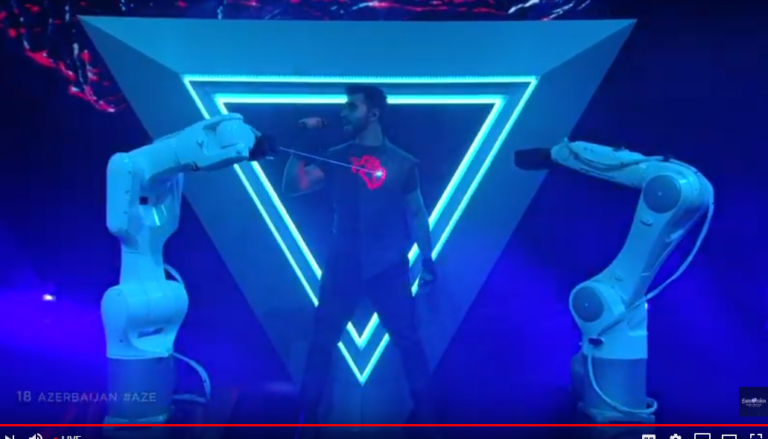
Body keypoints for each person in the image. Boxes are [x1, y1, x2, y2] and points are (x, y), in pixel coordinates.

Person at [283, 85, 438, 434]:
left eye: (351, 106)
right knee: (322, 342)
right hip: (343, 266)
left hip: (388, 266)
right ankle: (305, 418)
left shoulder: (403, 162)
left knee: (409, 341)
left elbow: (417, 213)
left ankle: (428, 418)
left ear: (374, 113)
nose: (343, 112)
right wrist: (301, 142)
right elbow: (294, 186)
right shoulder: (337, 156)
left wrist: (428, 260)